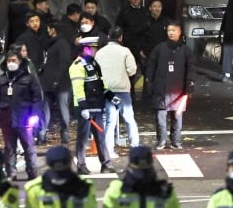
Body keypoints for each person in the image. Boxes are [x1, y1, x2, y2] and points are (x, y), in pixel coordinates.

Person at [0, 47, 43, 182]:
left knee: (28, 147)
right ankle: (11, 173)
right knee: (9, 147)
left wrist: (35, 115)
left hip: (24, 118)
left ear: (20, 62)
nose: (11, 63)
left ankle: (32, 172)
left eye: (14, 60)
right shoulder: (1, 80)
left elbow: (37, 98)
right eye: (9, 61)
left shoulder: (29, 79)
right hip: (7, 118)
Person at [145, 22, 195, 150]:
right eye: (169, 30)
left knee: (177, 117)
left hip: (178, 89)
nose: (171, 33)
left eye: (174, 30)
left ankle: (176, 141)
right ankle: (161, 140)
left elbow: (191, 69)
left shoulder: (185, 50)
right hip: (161, 87)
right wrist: (148, 80)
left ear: (179, 32)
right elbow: (151, 63)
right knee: (160, 117)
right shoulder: (160, 48)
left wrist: (189, 85)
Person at [69, 36, 113, 175]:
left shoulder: (94, 64)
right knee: (83, 137)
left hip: (96, 105)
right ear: (86, 48)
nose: (96, 50)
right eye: (94, 48)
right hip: (85, 107)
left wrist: (110, 96)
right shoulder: (77, 66)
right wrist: (83, 107)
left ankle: (106, 164)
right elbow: (78, 88)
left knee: (100, 136)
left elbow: (100, 82)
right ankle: (81, 165)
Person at [97, 27, 140, 162]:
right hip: (122, 90)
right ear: (121, 37)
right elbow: (132, 70)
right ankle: (135, 147)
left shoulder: (100, 53)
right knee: (129, 119)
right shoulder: (125, 51)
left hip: (107, 90)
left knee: (109, 122)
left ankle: (109, 150)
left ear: (109, 36)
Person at [40, 20, 73, 146]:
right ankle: (42, 135)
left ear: (54, 30)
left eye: (49, 28)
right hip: (49, 83)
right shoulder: (52, 44)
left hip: (61, 84)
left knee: (62, 110)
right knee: (45, 111)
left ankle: (65, 135)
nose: (48, 31)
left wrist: (56, 79)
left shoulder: (62, 44)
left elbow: (64, 63)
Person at [116, 0, 150, 64]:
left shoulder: (146, 12)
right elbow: (119, 29)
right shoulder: (124, 12)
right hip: (129, 47)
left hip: (145, 48)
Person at [137, 0, 169, 66]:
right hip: (148, 55)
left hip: (162, 54)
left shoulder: (166, 21)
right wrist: (140, 51)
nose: (157, 9)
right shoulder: (144, 21)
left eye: (159, 6)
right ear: (150, 8)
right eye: (155, 6)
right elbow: (138, 36)